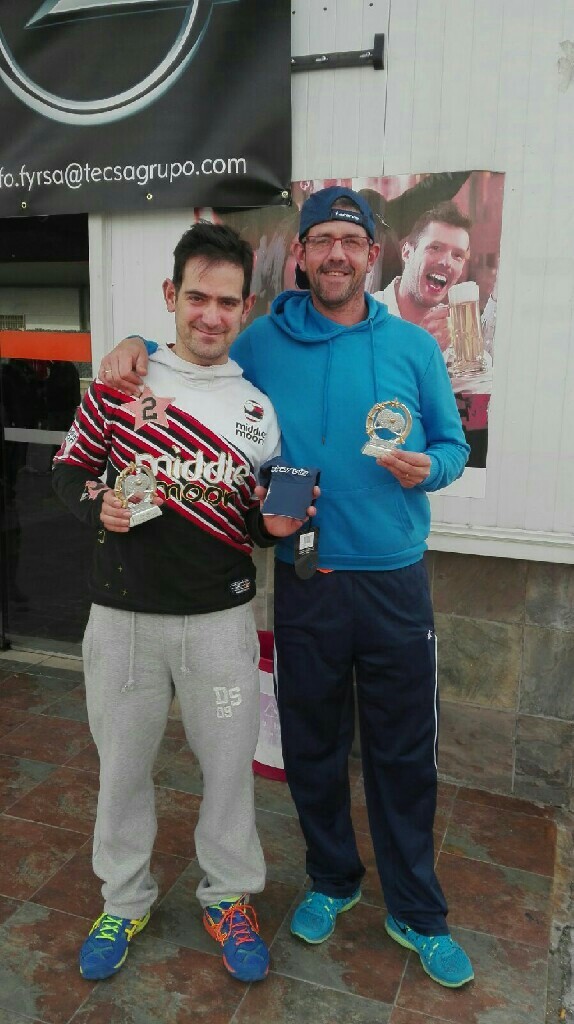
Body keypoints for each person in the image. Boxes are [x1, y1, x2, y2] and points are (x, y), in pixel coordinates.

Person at [100, 187, 475, 989]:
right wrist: (134, 341)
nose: (337, 253)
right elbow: (195, 351)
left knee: (404, 751)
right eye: (322, 240)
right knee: (311, 745)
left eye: (351, 240)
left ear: (373, 254)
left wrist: (432, 467)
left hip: (395, 582)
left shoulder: (412, 347)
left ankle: (418, 910)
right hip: (308, 577)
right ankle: (332, 879)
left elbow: (452, 444)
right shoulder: (264, 339)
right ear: (299, 255)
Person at [52, 222, 315, 985]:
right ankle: (124, 897)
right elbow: (68, 472)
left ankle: (228, 896)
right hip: (122, 620)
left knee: (229, 772)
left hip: (221, 623)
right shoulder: (121, 385)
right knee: (121, 770)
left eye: (227, 302)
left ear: (246, 308)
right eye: (197, 296)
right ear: (171, 295)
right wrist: (98, 503)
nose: (210, 314)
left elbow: (259, 521)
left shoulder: (257, 411)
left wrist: (277, 529)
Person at [372, 201, 473, 354]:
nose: (446, 262)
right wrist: (420, 348)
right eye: (435, 248)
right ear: (407, 252)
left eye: (457, 255)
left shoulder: (455, 330)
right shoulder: (365, 317)